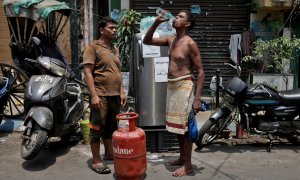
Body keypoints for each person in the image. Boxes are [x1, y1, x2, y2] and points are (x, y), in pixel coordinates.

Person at [143, 10, 204, 177]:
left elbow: (200, 72)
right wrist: (156, 23)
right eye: (176, 16)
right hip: (172, 86)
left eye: (180, 17)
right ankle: (182, 158)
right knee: (176, 127)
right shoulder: (171, 39)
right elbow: (147, 40)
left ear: (187, 24)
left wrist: (197, 99)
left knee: (184, 127)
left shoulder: (190, 43)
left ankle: (188, 165)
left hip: (185, 86)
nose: (176, 18)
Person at [83, 16, 126, 174]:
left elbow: (118, 72)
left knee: (111, 127)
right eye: (111, 28)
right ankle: (96, 160)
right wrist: (93, 95)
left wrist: (121, 91)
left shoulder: (115, 49)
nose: (115, 30)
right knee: (96, 128)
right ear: (102, 30)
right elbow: (87, 72)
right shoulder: (92, 47)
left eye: (115, 28)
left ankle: (108, 153)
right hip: (100, 95)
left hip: (114, 95)